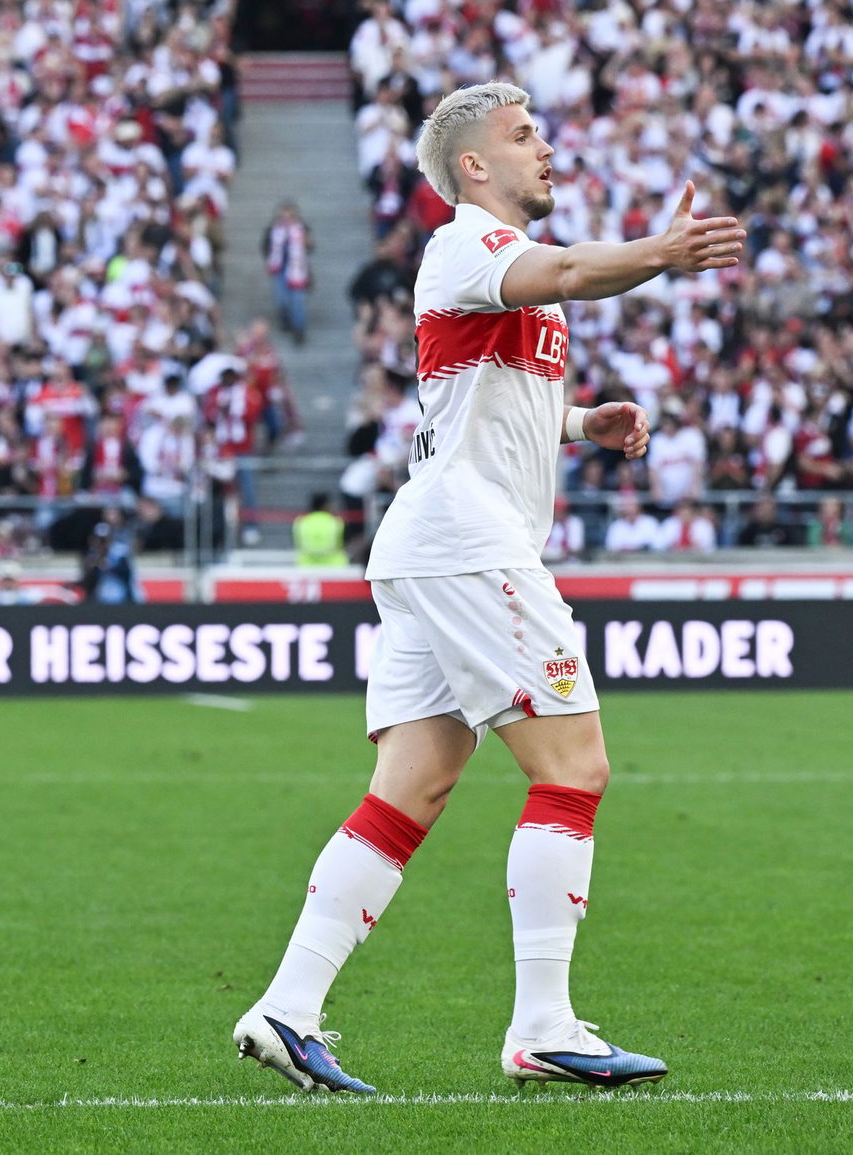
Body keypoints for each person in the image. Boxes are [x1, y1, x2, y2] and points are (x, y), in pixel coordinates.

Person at [233, 81, 744, 1095]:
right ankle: (543, 1025)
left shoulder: (500, 276)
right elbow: (562, 266)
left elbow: (478, 404)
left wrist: (579, 421)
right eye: (522, 137)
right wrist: (657, 254)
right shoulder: (469, 243)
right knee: (574, 766)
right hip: (467, 543)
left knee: (411, 789)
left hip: (435, 542)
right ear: (474, 166)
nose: (544, 148)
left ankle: (285, 1011)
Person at [264, 201, 313, 343]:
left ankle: (299, 328)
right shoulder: (273, 229)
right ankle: (285, 318)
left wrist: (305, 240)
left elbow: (310, 247)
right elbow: (266, 246)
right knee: (281, 299)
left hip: (297, 268)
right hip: (279, 268)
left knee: (298, 300)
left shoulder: (302, 229)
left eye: (289, 216)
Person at [293, 492, 349, 567]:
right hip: (334, 566)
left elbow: (298, 543)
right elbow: (344, 543)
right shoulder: (336, 522)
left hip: (307, 566)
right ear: (326, 505)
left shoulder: (301, 522)